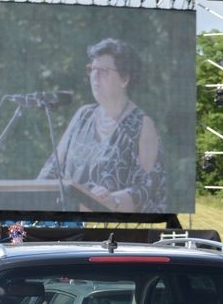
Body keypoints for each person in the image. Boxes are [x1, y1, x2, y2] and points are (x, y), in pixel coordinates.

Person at [39, 38, 167, 212]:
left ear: (125, 79)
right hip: (69, 222)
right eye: (92, 69)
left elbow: (148, 187)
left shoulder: (142, 125)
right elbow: (52, 170)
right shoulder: (83, 115)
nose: (94, 76)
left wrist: (113, 200)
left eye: (104, 71)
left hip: (118, 227)